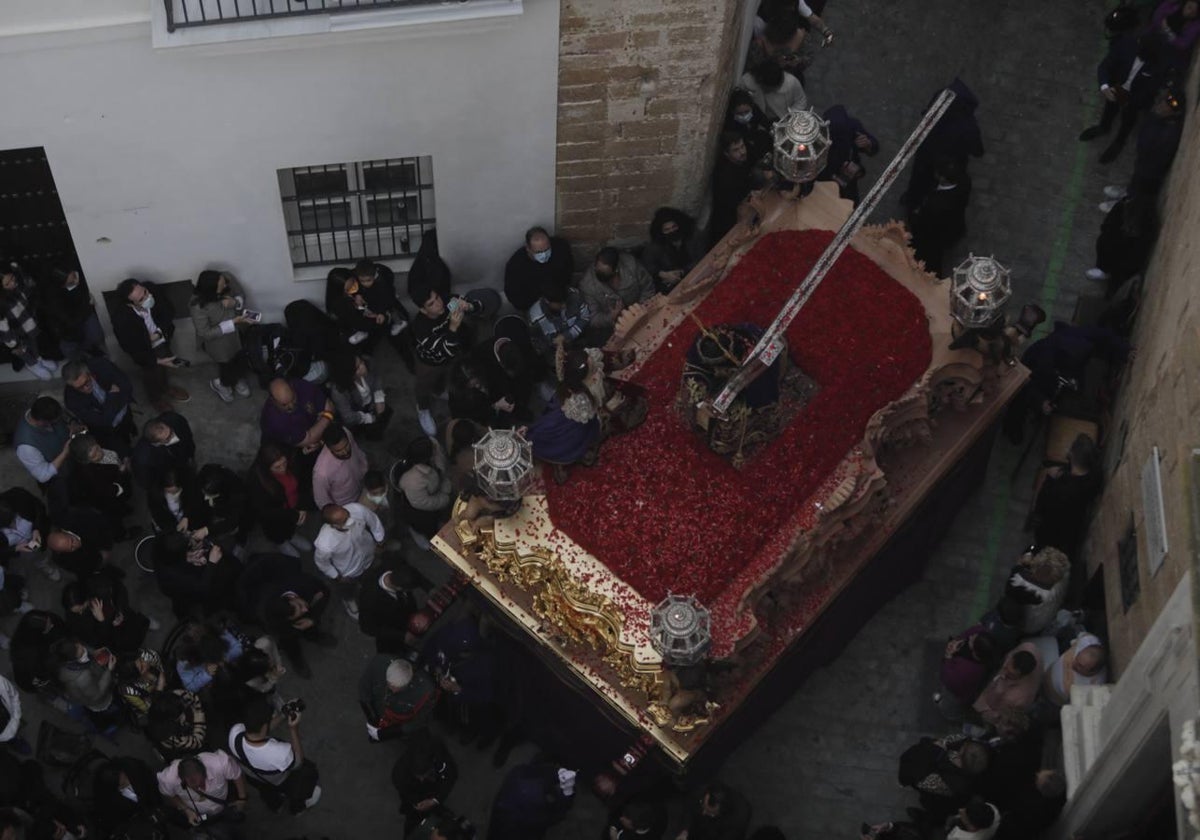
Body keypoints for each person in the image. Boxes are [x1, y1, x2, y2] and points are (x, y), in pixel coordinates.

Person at [409, 281, 499, 437]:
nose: (439, 303)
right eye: (431, 303)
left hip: (455, 353)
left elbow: (478, 307)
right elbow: (444, 350)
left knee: (454, 374)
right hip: (430, 361)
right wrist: (452, 328)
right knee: (424, 385)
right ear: (423, 310)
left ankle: (442, 389)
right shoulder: (421, 328)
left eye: (437, 297)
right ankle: (423, 409)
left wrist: (469, 307)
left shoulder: (448, 301)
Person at [1078, 32, 1171, 164]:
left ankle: (1119, 141)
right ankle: (1104, 127)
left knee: (1128, 120)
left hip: (1135, 98)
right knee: (1109, 109)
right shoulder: (1127, 44)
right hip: (1116, 87)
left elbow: (1151, 89)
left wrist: (1132, 102)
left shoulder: (1158, 62)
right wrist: (1105, 87)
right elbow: (1105, 66)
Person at [901, 78, 984, 212]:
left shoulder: (940, 103)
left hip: (929, 153)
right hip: (947, 160)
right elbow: (978, 151)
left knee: (920, 179)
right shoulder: (968, 125)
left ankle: (914, 202)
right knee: (939, 185)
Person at [228, 695, 321, 814]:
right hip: (280, 781)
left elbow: (260, 731)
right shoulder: (279, 753)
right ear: (264, 726)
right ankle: (297, 808)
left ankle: (276, 806)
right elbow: (298, 762)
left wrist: (283, 714)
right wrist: (293, 729)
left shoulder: (234, 734)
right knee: (300, 782)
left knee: (266, 791)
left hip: (253, 777)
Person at [111, 277, 189, 411]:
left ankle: (165, 387)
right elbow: (130, 347)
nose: (148, 297)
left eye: (145, 292)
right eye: (141, 299)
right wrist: (154, 359)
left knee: (164, 366)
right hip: (145, 351)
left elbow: (168, 312)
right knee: (151, 374)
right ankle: (155, 398)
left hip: (162, 340)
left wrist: (159, 334)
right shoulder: (122, 319)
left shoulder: (152, 291)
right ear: (130, 304)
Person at [528, 348, 604, 484]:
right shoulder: (579, 401)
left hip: (569, 409)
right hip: (573, 423)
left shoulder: (571, 381)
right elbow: (588, 411)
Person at [251, 557, 335, 679]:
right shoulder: (267, 615)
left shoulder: (302, 582)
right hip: (282, 626)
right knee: (288, 641)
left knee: (310, 622)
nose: (304, 609)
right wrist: (293, 629)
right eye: (300, 611)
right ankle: (297, 659)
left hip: (288, 608)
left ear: (291, 597)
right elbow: (277, 629)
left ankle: (314, 635)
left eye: (300, 605)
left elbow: (325, 591)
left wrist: (312, 618)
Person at [1031, 434, 1104, 560]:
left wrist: (1049, 480)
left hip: (1053, 530)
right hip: (1074, 526)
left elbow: (1040, 507)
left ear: (1071, 455)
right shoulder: (1095, 477)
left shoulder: (1058, 489)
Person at [190, 269, 253, 403]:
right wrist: (231, 323)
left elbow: (241, 294)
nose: (225, 287)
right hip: (219, 343)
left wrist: (235, 302)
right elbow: (204, 333)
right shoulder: (198, 306)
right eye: (221, 286)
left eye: (224, 283)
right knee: (227, 364)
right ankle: (222, 384)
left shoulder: (226, 278)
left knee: (240, 357)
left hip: (237, 333)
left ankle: (237, 378)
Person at [313, 502, 384, 619]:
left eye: (347, 514)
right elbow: (322, 563)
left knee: (370, 574)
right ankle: (349, 600)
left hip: (368, 553)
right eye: (344, 520)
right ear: (333, 525)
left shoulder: (357, 509)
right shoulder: (325, 543)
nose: (350, 519)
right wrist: (337, 576)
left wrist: (380, 540)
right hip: (349, 570)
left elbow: (374, 521)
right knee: (347, 588)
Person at [898, 735, 991, 822]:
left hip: (944, 801)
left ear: (960, 754)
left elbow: (923, 782)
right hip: (962, 795)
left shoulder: (951, 782)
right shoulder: (981, 757)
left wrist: (935, 748)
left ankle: (929, 820)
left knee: (936, 813)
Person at [260, 377, 336, 481]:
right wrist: (327, 416)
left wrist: (320, 431)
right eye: (284, 405)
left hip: (314, 429)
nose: (291, 406)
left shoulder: (302, 386)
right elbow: (309, 439)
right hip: (287, 447)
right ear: (273, 401)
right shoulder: (275, 420)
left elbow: (328, 404)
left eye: (293, 399)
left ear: (292, 387)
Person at [61, 571, 153, 654]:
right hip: (112, 633)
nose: (80, 613)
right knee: (126, 643)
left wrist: (120, 610)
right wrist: (101, 621)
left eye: (81, 608)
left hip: (121, 615)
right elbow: (99, 641)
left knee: (133, 622)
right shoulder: (74, 621)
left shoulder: (97, 585)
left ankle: (143, 622)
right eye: (75, 611)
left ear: (86, 597)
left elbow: (120, 590)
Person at [1086, 192, 1158, 299]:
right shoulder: (1128, 212)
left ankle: (1105, 270)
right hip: (1129, 245)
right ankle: (1105, 270)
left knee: (1107, 244)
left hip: (1127, 257)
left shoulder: (1114, 235)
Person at [61, 356, 136, 457]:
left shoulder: (102, 366)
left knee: (127, 430)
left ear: (89, 373)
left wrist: (107, 411)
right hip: (107, 431)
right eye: (79, 388)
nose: (85, 388)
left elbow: (126, 387)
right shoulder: (72, 400)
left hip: (124, 414)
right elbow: (104, 421)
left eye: (86, 382)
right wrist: (112, 397)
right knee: (121, 449)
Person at [907, 157, 971, 276]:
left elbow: (924, 224)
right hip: (953, 224)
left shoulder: (936, 205)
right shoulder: (964, 181)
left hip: (934, 234)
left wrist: (915, 216)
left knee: (930, 257)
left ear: (943, 178)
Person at [152, 531, 237, 620]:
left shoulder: (161, 543)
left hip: (170, 572)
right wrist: (212, 563)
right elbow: (202, 589)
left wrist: (188, 557)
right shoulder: (178, 577)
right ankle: (185, 617)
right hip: (175, 587)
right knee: (183, 601)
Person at [249, 443, 313, 558]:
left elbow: (304, 482)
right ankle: (281, 542)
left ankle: (291, 535)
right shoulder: (258, 483)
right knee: (277, 531)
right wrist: (293, 515)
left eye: (284, 463)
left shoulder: (292, 463)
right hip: (276, 517)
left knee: (290, 526)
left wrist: (302, 506)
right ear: (267, 468)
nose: (283, 468)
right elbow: (266, 512)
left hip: (293, 507)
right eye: (277, 467)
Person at [579, 247, 657, 342]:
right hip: (613, 328)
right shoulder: (587, 285)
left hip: (642, 313)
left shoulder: (631, 265)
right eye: (598, 272)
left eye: (605, 275)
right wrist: (611, 316)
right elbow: (593, 318)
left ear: (615, 269)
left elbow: (647, 287)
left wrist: (639, 311)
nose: (600, 277)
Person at [156, 751, 247, 829]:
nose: (198, 788)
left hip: (226, 803)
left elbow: (236, 775)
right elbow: (169, 794)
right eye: (192, 786)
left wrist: (242, 798)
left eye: (200, 783)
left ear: (204, 772)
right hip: (199, 813)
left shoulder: (220, 764)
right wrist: (187, 810)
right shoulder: (168, 780)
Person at [359, 655, 441, 742]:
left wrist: (391, 732)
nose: (392, 690)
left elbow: (420, 720)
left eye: (398, 687)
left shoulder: (427, 691)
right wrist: (373, 718)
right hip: (379, 708)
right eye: (389, 684)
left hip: (400, 719)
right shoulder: (378, 664)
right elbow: (364, 689)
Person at [391, 731, 458, 836]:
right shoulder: (399, 775)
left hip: (434, 785)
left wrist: (435, 800)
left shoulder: (437, 750)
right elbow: (408, 794)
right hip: (412, 792)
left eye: (424, 775)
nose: (422, 779)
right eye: (418, 776)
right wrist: (418, 804)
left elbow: (451, 775)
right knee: (413, 817)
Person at [12, 396, 76, 506]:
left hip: (70, 465)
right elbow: (42, 475)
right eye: (55, 421)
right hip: (56, 479)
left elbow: (62, 415)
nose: (57, 422)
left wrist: (72, 424)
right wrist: (65, 452)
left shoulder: (44, 410)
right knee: (62, 501)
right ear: (42, 422)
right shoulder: (26, 446)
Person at [0, 264, 58, 380]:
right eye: (7, 283)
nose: (12, 282)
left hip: (29, 323)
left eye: (12, 278)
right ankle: (32, 364)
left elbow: (29, 284)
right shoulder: (2, 304)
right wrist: (12, 343)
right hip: (15, 332)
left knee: (34, 342)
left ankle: (39, 359)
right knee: (22, 350)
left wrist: (18, 269)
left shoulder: (17, 288)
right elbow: (3, 328)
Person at [395, 436, 454, 548]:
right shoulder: (412, 480)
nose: (438, 450)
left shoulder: (432, 446)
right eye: (434, 451)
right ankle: (417, 531)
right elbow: (423, 502)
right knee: (426, 525)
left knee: (435, 517)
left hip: (435, 492)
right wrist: (444, 498)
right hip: (417, 509)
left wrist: (446, 487)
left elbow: (442, 470)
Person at [52, 637, 122, 728]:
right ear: (73, 657)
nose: (80, 645)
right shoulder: (82, 678)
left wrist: (93, 652)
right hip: (99, 700)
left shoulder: (65, 660)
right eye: (77, 648)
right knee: (114, 708)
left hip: (91, 684)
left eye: (77, 644)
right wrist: (109, 670)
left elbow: (83, 651)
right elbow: (98, 694)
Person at [65, 434, 133, 525]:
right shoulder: (92, 474)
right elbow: (110, 491)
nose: (100, 453)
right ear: (85, 461)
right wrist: (121, 473)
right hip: (109, 497)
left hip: (115, 482)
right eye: (94, 455)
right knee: (116, 513)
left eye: (97, 448)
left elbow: (115, 442)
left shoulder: (98, 444)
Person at [819, 104, 880, 204]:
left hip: (847, 177)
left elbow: (873, 146)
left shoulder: (852, 127)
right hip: (824, 175)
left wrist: (868, 144)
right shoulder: (821, 134)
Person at [503, 226, 574, 312]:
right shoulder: (516, 266)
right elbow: (516, 297)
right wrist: (546, 303)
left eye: (547, 249)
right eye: (539, 252)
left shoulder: (560, 248)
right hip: (533, 304)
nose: (544, 254)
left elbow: (568, 272)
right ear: (528, 249)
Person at [972, 644, 1043, 729]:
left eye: (1010, 673)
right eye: (1006, 665)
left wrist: (998, 691)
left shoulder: (1017, 698)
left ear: (1020, 676)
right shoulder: (1029, 647)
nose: (1004, 668)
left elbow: (992, 708)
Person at [91, 756, 165, 838]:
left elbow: (150, 781)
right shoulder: (108, 802)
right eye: (122, 785)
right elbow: (119, 821)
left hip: (153, 805)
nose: (127, 782)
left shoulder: (132, 766)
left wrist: (157, 806)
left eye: (125, 777)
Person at [1003, 547, 1071, 635]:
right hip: (1044, 622)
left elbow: (1011, 585)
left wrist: (1021, 564)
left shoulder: (1029, 591)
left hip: (1027, 627)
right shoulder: (1062, 577)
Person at [43, 268, 106, 360]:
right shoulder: (55, 300)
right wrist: (88, 306)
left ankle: (92, 349)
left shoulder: (72, 283)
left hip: (79, 316)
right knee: (76, 348)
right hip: (68, 328)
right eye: (72, 277)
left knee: (96, 336)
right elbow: (70, 320)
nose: (75, 278)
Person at [935, 627, 998, 717]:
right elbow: (974, 631)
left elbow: (946, 676)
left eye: (973, 639)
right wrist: (957, 640)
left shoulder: (965, 671)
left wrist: (948, 655)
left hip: (963, 693)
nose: (972, 636)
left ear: (974, 650)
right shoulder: (986, 643)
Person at [329, 353, 392, 440]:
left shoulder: (367, 361)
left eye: (361, 362)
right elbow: (348, 417)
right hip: (357, 413)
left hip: (371, 403)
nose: (363, 367)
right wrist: (369, 418)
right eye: (357, 368)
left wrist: (379, 399)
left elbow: (377, 378)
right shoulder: (339, 391)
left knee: (383, 417)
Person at [642, 208, 705, 294]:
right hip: (668, 283)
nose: (672, 231)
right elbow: (648, 265)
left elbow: (701, 258)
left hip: (694, 275)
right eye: (667, 230)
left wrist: (682, 272)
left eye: (674, 227)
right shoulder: (655, 246)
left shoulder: (693, 237)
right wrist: (662, 274)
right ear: (661, 232)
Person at [358, 563, 417, 654]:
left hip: (407, 617)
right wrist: (400, 636)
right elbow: (367, 627)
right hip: (391, 631)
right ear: (398, 588)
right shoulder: (370, 599)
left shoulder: (394, 564)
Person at [709, 132, 755, 246]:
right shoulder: (724, 175)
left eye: (742, 147)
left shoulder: (742, 159)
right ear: (726, 153)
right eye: (736, 150)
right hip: (728, 219)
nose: (742, 152)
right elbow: (731, 201)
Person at [993, 769, 1065, 840]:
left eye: (1037, 779)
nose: (1037, 773)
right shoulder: (1052, 805)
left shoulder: (1029, 805)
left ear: (1042, 787)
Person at [131, 411, 196, 488]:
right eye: (168, 438)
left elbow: (188, 437)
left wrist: (190, 455)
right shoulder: (143, 458)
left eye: (171, 431)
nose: (174, 435)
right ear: (157, 443)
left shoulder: (174, 419)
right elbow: (147, 482)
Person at [528, 282, 592, 359]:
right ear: (547, 301)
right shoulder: (536, 319)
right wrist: (557, 352)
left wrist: (566, 336)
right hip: (556, 355)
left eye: (565, 301)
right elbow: (539, 345)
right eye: (560, 303)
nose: (564, 306)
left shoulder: (574, 296)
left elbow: (585, 317)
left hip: (582, 344)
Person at [312, 423, 369, 509]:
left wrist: (365, 469)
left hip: (362, 485)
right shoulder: (321, 473)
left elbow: (358, 452)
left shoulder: (347, 433)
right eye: (338, 450)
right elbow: (322, 501)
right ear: (329, 449)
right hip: (347, 505)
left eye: (346, 446)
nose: (345, 452)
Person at [1042, 634, 1108, 706]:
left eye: (1080, 666)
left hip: (1052, 697)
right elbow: (1082, 635)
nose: (1073, 664)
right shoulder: (1087, 641)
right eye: (1077, 656)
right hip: (1046, 670)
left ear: (1093, 671)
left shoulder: (1093, 686)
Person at [47, 506, 114, 577]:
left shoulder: (78, 518)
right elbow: (81, 568)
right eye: (71, 548)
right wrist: (100, 563)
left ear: (66, 532)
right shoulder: (61, 559)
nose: (75, 545)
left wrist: (107, 547)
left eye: (72, 541)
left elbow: (102, 524)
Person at [677, 782, 752, 840]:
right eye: (703, 804)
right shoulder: (703, 790)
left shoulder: (737, 820)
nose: (704, 813)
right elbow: (689, 809)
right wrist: (684, 831)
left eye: (710, 812)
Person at [147, 466, 208, 537]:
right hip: (170, 526)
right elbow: (161, 519)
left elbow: (194, 502)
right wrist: (177, 531)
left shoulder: (190, 485)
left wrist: (186, 517)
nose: (174, 495)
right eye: (169, 492)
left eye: (177, 491)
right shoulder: (154, 496)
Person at [738, 59, 807, 121]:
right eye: (766, 88)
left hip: (784, 119)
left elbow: (801, 101)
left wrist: (790, 115)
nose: (767, 91)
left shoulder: (792, 82)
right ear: (760, 81)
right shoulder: (747, 82)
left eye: (772, 89)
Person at [722, 89, 773, 165]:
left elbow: (766, 124)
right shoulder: (731, 126)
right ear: (733, 112)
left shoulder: (755, 110)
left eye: (746, 112)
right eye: (739, 113)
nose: (744, 116)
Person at [1150, 0, 1200, 67]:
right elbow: (1157, 19)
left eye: (1194, 12)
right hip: (1154, 37)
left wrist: (1167, 31)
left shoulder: (1195, 24)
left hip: (1169, 52)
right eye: (1189, 7)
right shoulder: (1173, 6)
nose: (1189, 12)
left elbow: (1183, 44)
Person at [602, 792, 668, 840]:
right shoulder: (659, 816)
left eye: (626, 819)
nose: (621, 818)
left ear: (632, 826)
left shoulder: (625, 837)